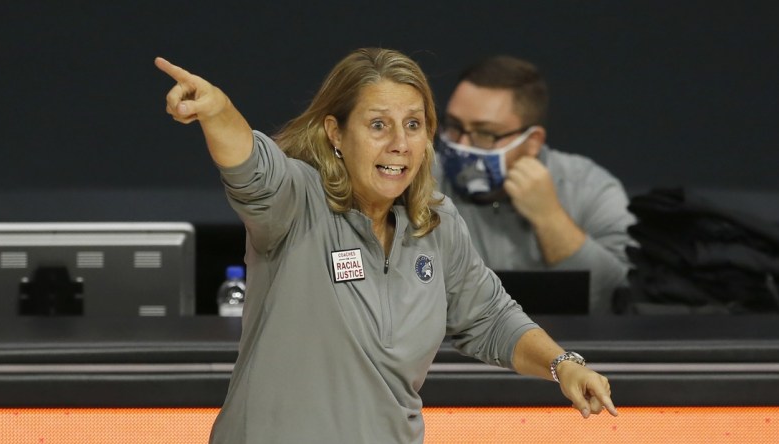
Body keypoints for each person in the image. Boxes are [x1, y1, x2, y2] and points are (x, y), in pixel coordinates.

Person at [155, 48, 617, 444]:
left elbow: (490, 318)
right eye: (378, 125)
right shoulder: (298, 202)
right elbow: (253, 169)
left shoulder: (435, 223)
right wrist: (217, 113)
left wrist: (563, 365)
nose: (400, 143)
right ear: (336, 133)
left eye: (413, 124)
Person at [436, 55, 635, 314]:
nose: (460, 145)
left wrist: (550, 217)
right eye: (453, 126)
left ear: (532, 141)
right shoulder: (418, 183)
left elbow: (620, 296)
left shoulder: (588, 185)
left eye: (484, 133)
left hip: (568, 348)